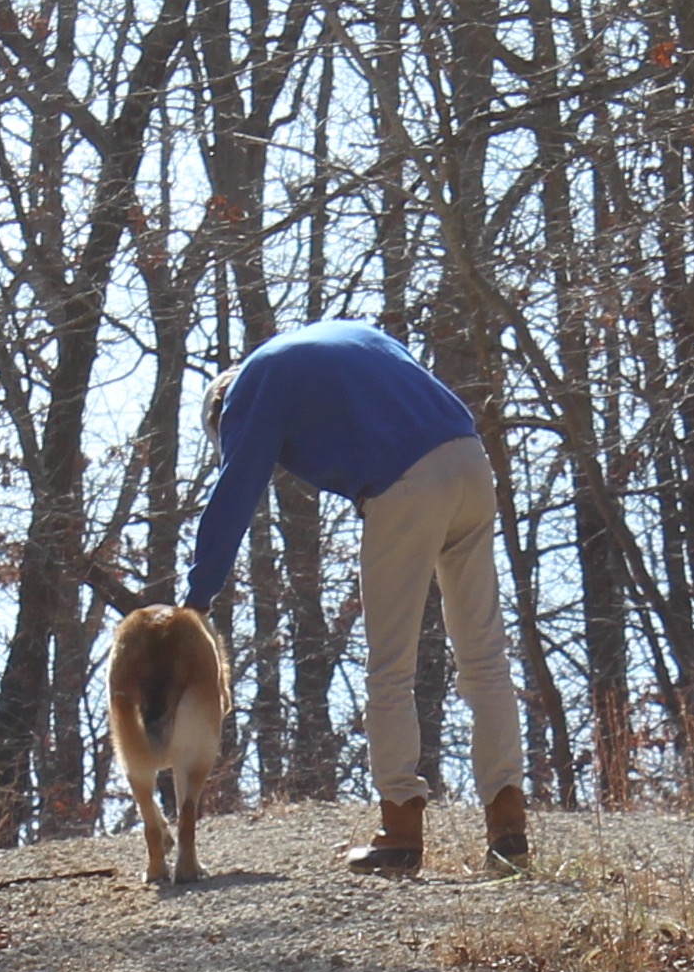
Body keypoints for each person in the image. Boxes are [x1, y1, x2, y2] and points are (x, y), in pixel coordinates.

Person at [183, 319, 529, 875]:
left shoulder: (251, 386)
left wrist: (197, 598)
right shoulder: (339, 338)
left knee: (390, 665)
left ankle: (400, 831)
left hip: (405, 481)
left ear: (223, 406)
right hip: (469, 458)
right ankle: (508, 827)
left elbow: (236, 489)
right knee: (483, 656)